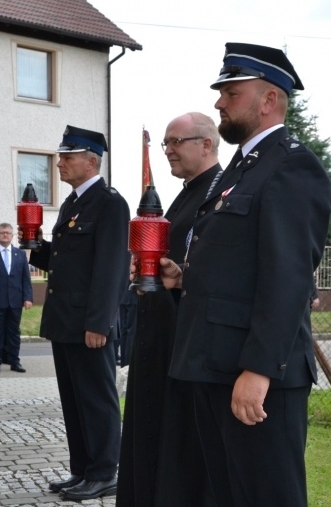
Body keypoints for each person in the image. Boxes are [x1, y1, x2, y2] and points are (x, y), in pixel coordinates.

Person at [153, 43, 331, 506]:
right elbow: (238, 263)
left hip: (253, 372)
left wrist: (258, 369)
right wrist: (185, 276)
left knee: (266, 495)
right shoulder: (244, 167)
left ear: (268, 100)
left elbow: (288, 278)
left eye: (230, 93)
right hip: (215, 363)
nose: (219, 103)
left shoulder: (292, 165)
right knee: (226, 493)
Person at [118, 112, 221, 507]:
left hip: (185, 334)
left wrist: (176, 275)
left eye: (176, 142)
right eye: (165, 143)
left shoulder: (219, 192)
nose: (168, 151)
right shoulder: (184, 192)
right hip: (158, 330)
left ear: (206, 144)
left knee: (179, 441)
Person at [27, 125, 130, 502]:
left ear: (91, 161)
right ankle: (83, 469)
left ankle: (105, 472)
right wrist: (35, 245)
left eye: (67, 157)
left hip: (90, 324)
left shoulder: (110, 203)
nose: (59, 163)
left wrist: (99, 323)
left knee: (97, 399)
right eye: (60, 157)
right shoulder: (72, 204)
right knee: (73, 399)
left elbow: (112, 268)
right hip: (66, 320)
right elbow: (65, 262)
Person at [0, 222, 33, 374]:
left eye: (8, 233)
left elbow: (26, 279)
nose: (5, 235)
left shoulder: (20, 254)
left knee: (14, 332)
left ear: (12, 235)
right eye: (2, 232)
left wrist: (27, 297)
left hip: (15, 300)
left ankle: (15, 361)